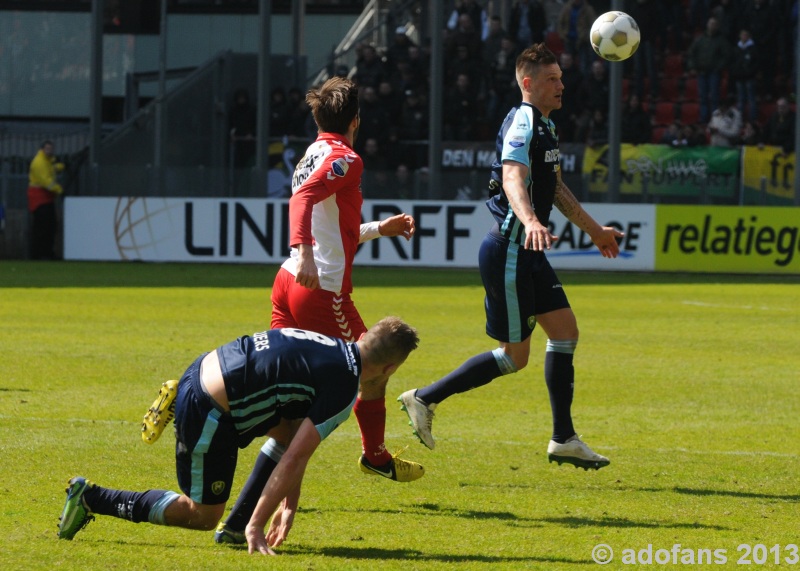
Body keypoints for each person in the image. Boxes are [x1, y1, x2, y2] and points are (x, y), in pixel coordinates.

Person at [215, 77, 423, 545]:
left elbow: (332, 220)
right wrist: (304, 249)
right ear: (355, 121)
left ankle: (247, 509)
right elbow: (304, 201)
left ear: (317, 119)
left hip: (286, 282)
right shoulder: (346, 157)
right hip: (320, 288)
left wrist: (376, 229)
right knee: (372, 369)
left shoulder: (313, 152)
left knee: (287, 405)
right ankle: (374, 455)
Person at [397, 43, 621, 470]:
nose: (561, 85)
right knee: (513, 357)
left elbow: (553, 186)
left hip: (528, 252)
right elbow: (513, 176)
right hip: (512, 251)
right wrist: (531, 220)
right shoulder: (523, 120)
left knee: (566, 332)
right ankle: (424, 398)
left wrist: (595, 231)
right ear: (528, 83)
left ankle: (564, 439)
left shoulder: (546, 127)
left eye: (561, 77)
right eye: (552, 79)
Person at [57, 317, 420, 556]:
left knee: (284, 427)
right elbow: (295, 457)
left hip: (205, 367)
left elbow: (294, 439)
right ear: (389, 369)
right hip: (209, 410)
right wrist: (258, 526)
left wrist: (289, 504)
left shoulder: (332, 346)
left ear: (362, 337)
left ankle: (234, 525)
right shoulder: (344, 388)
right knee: (201, 515)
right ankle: (92, 497)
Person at [687, 17, 732, 124]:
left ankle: (714, 119)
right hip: (702, 72)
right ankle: (703, 119)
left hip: (714, 72)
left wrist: (718, 67)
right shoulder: (700, 39)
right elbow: (691, 53)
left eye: (714, 24)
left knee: (714, 96)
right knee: (703, 96)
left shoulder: (721, 40)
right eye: (710, 23)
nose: (712, 26)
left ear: (717, 26)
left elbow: (727, 55)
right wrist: (692, 66)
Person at [27, 140, 64, 260]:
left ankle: (45, 253)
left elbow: (51, 169)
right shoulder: (39, 162)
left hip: (46, 198)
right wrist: (59, 190)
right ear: (42, 149)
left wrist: (61, 167)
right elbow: (46, 181)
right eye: (47, 149)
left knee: (49, 226)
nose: (50, 151)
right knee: (43, 227)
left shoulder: (46, 161)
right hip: (40, 198)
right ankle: (39, 254)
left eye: (51, 149)